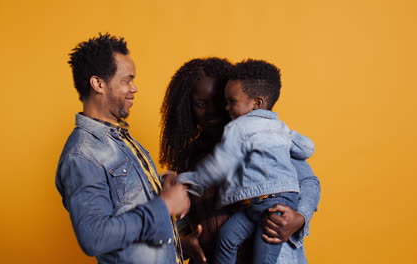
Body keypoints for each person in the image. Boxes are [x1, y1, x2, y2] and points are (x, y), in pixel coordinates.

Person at [160, 58, 320, 264]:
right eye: (200, 104)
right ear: (187, 108)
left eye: (219, 102)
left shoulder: (263, 136)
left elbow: (309, 182)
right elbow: (185, 211)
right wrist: (181, 244)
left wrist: (299, 218)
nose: (212, 111)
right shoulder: (193, 155)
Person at [55, 33, 190, 264]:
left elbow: (127, 205)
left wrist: (159, 184)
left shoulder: (120, 138)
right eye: (127, 80)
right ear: (98, 84)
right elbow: (94, 237)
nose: (134, 88)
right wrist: (165, 205)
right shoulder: (82, 155)